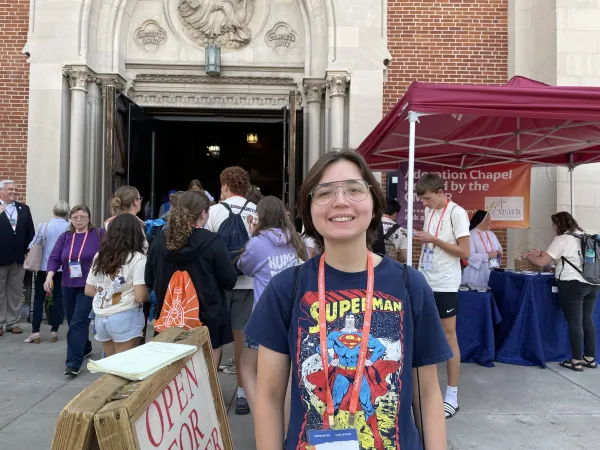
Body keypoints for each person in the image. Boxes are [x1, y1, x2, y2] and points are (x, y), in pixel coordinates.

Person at [245, 151, 451, 450]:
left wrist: (371, 358)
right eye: (325, 192)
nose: (340, 201)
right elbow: (269, 396)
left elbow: (428, 393)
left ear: (373, 202)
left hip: (372, 390)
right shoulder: (285, 289)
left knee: (368, 404)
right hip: (325, 407)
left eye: (354, 189)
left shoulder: (410, 285)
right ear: (309, 208)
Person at [145, 190, 238, 365]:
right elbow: (229, 280)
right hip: (208, 316)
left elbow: (149, 278)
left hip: (170, 316)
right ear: (203, 213)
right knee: (206, 374)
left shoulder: (160, 240)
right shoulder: (212, 241)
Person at [237, 196, 308, 413]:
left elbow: (244, 267)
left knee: (248, 368)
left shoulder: (258, 243)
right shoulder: (297, 239)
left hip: (265, 318)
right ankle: (284, 428)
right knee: (286, 378)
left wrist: (252, 234)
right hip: (295, 315)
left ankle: (263, 418)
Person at [414, 174, 470, 419]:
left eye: (427, 198)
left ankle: (452, 394)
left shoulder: (456, 213)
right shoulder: (431, 211)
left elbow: (464, 251)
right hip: (425, 278)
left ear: (439, 192)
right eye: (422, 200)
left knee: (448, 336)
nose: (425, 204)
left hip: (445, 283)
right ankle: (428, 390)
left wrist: (433, 239)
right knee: (424, 333)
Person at [205, 166, 257, 415]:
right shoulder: (257, 211)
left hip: (218, 285)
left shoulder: (213, 211)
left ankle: (212, 394)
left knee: (214, 340)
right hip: (248, 284)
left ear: (225, 185)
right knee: (242, 341)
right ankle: (243, 394)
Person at [522, 211, 599, 371]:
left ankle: (576, 361)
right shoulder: (585, 236)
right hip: (592, 283)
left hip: (572, 284)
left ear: (559, 225)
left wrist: (528, 257)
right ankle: (590, 359)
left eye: (554, 225)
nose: (553, 228)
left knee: (575, 322)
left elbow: (542, 262)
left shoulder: (562, 239)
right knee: (587, 320)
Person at [45, 205, 104, 377]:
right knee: (72, 321)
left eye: (83, 217)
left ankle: (73, 363)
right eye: (75, 217)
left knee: (78, 322)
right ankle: (85, 346)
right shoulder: (65, 237)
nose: (79, 220)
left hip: (89, 285)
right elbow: (55, 257)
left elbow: (110, 254)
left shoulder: (98, 234)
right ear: (70, 219)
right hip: (68, 284)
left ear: (89, 218)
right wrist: (49, 277)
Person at [85, 214, 149, 356]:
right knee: (124, 366)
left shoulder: (99, 256)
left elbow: (89, 289)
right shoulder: (137, 258)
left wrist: (108, 295)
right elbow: (140, 296)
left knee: (110, 366)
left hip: (101, 316)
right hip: (125, 314)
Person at [25, 200, 70, 344]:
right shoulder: (70, 227)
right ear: (67, 212)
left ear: (53, 211)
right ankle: (54, 331)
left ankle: (35, 331)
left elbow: (33, 245)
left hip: (44, 267)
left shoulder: (44, 226)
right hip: (63, 268)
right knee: (58, 298)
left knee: (39, 298)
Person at [0, 180, 35, 336]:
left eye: (15, 189)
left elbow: (30, 232)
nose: (13, 191)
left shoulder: (24, 208)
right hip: (1, 257)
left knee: (15, 292)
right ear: (1, 191)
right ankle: (0, 323)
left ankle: (12, 322)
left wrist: (30, 250)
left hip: (18, 258)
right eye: (10, 189)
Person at [461, 210, 503, 286]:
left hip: (490, 270)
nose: (490, 223)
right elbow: (469, 256)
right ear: (481, 221)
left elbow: (499, 248)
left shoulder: (491, 234)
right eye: (488, 221)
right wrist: (487, 256)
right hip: (475, 272)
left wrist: (499, 252)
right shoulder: (471, 235)